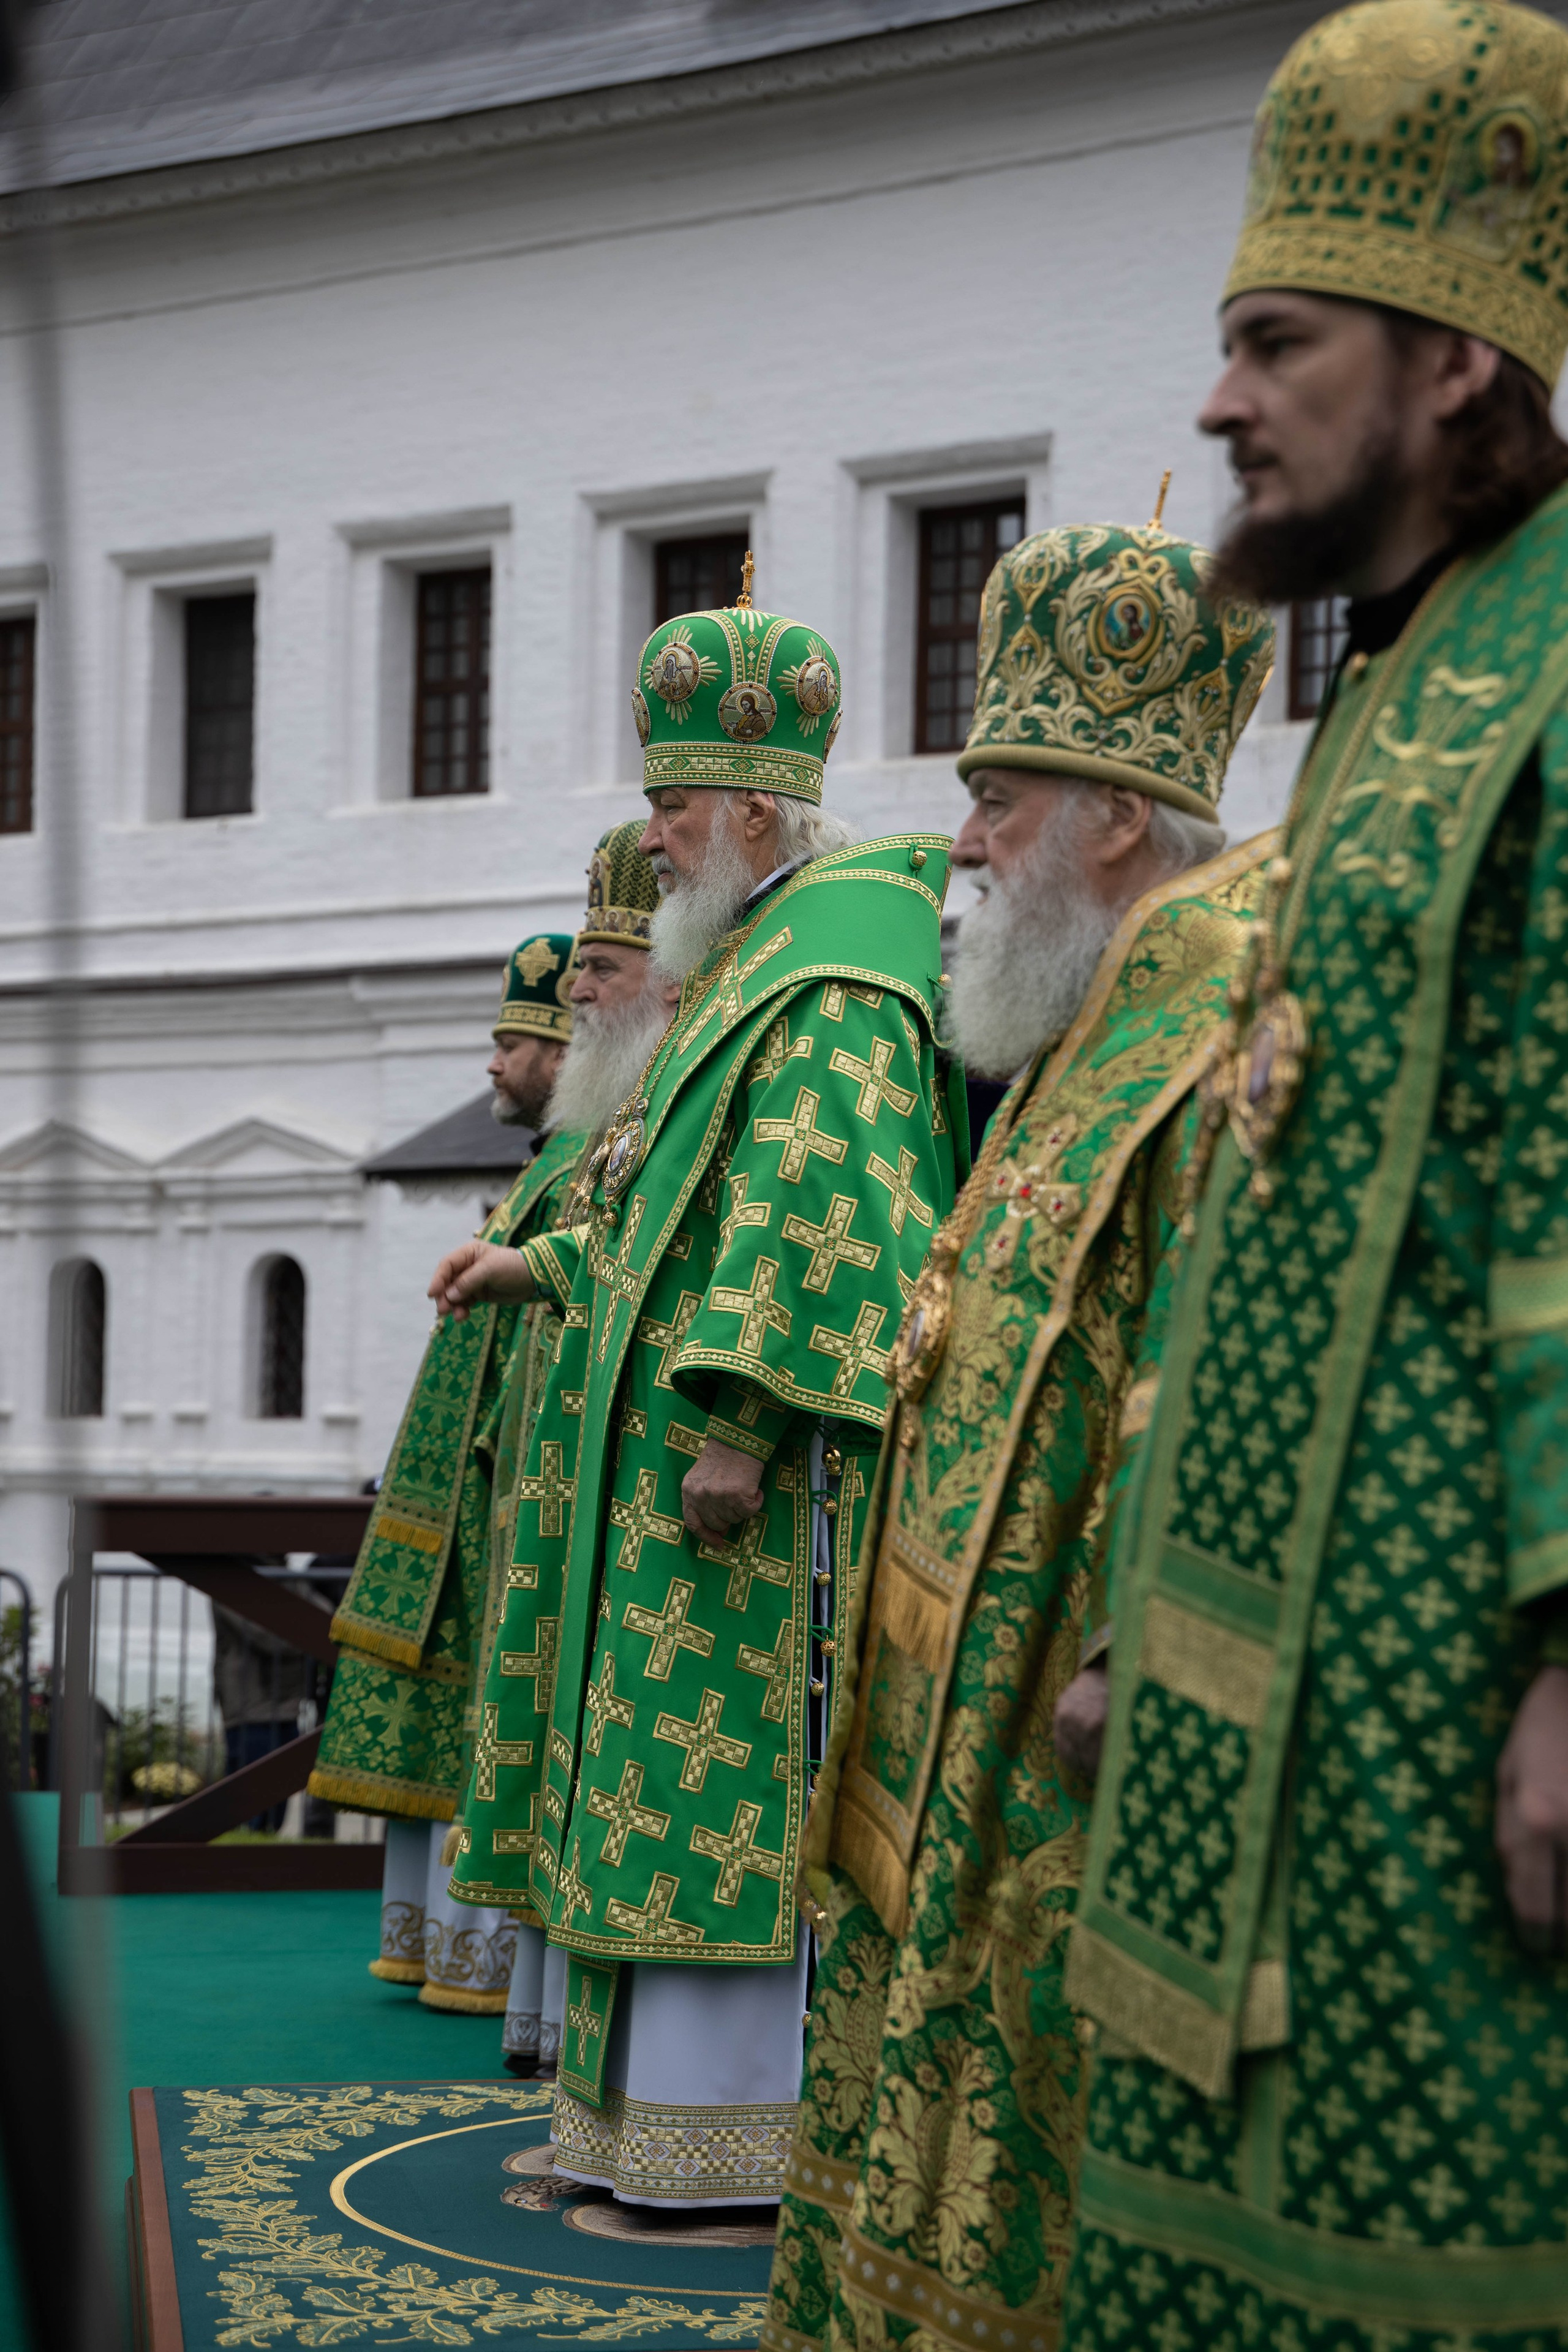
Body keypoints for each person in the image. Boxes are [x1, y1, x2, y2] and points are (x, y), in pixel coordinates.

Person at [1055, 6, 1568, 2345]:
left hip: (1447, 1728)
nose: (1219, 401)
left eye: (1276, 341)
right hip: (1260, 1710)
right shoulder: (1406, 675)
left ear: (1457, 361)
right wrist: (1136, 1623)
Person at [763, 521, 1273, 2352]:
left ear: (1117, 819)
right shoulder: (1081, 1015)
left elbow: (1216, 1346)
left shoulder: (1217, 1012)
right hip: (954, 1699)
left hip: (1063, 1701)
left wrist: (1139, 1636)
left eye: (997, 796)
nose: (960, 843)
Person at [437, 566, 965, 2213]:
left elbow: (832, 1211)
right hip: (659, 1489)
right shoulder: (742, 966)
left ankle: (726, 2151)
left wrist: (745, 1421)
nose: (652, 835)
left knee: (715, 1811)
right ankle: (635, 2140)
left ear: (748, 805)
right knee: (644, 1799)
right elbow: (673, 1231)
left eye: (672, 802)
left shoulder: (835, 975)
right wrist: (549, 1272)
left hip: (743, 1496)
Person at [307, 932, 581, 2015]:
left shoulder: (577, 1172)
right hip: (469, 1512)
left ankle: (494, 1961)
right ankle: (453, 1951)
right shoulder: (546, 1172)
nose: (493, 1064)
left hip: (506, 1507)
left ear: (563, 1050)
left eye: (511, 1040)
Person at [488, 824, 676, 2074]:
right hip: (572, 1471)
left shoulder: (674, 1095)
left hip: (663, 1474)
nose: (577, 996)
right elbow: (607, 1253)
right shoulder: (613, 1112)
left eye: (600, 971)